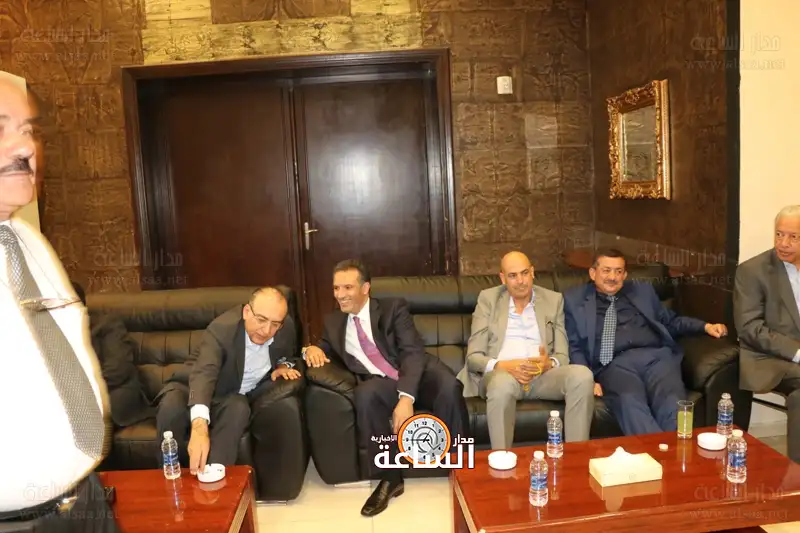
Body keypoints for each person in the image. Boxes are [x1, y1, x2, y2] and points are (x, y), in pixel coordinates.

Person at [0, 73, 120, 530]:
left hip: (84, 501)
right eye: (0, 129)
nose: (25, 147)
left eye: (28, 129)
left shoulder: (29, 241)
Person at [304, 259, 468, 517]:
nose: (340, 295)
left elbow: (412, 352)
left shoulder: (393, 308)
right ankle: (390, 478)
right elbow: (323, 346)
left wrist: (406, 397)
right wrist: (310, 349)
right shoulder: (334, 322)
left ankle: (462, 468)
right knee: (365, 394)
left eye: (347, 287)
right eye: (336, 288)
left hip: (419, 374)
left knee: (449, 387)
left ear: (365, 288)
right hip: (384, 383)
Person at [563, 249, 728, 436]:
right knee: (630, 402)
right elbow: (575, 346)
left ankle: (674, 450)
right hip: (615, 364)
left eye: (618, 271)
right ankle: (657, 450)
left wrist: (705, 327)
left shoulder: (642, 291)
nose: (613, 277)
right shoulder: (574, 300)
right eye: (606, 270)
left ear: (625, 275)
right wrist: (588, 379)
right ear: (593, 273)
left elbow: (669, 321)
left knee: (671, 401)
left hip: (656, 357)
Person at [155, 287, 302, 475]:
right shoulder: (222, 330)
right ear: (247, 312)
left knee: (239, 407)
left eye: (275, 324)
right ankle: (169, 479)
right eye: (261, 320)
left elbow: (289, 354)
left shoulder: (284, 327)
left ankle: (214, 478)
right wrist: (199, 426)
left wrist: (283, 365)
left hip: (229, 395)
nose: (267, 330)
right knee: (171, 407)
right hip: (191, 388)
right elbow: (205, 372)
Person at [456, 251, 594, 450]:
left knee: (582, 376)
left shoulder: (553, 300)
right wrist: (504, 366)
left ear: (532, 272)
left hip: (542, 376)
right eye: (513, 276)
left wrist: (549, 363)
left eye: (524, 273)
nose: (520, 281)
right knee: (502, 385)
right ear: (503, 278)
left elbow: (562, 356)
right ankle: (502, 459)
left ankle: (576, 457)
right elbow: (473, 358)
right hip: (502, 375)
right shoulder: (488, 300)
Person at [734, 205, 800, 463]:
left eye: (793, 237)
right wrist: (797, 352)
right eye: (779, 234)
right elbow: (750, 328)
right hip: (769, 358)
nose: (783, 243)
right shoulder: (753, 271)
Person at [73, 281, 153, 428]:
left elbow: (119, 368)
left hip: (115, 390)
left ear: (77, 304)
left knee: (82, 411)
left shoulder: (106, 323)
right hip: (75, 394)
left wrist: (81, 387)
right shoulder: (51, 332)